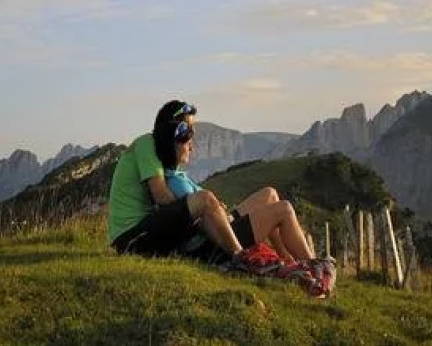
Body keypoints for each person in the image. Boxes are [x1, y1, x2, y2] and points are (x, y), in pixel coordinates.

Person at [106, 100, 248, 263]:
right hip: (130, 237)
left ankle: (235, 255)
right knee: (204, 199)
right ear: (170, 127)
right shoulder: (147, 144)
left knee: (206, 203)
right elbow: (161, 196)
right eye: (186, 127)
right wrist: (198, 211)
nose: (191, 133)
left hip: (145, 230)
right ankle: (242, 258)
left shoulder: (161, 154)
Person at [165, 132, 317, 263]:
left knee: (269, 194)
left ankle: (285, 258)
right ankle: (313, 267)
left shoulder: (178, 176)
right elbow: (198, 221)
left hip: (223, 222)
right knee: (285, 209)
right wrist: (217, 211)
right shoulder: (176, 182)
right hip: (218, 237)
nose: (192, 148)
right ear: (174, 147)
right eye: (188, 144)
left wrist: (218, 208)